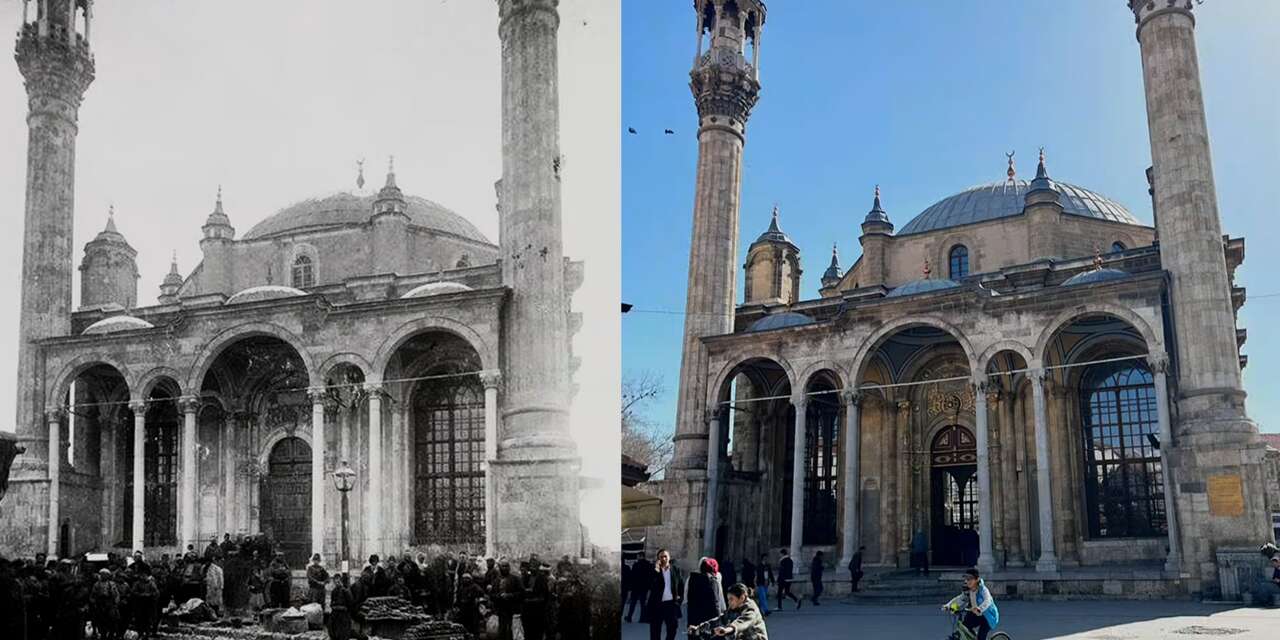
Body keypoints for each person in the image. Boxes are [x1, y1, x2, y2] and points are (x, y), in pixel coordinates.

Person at [687, 583, 768, 640]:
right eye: (728, 599)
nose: (729, 602)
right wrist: (699, 628)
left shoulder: (751, 609)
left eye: (731, 599)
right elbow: (721, 619)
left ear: (742, 598)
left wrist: (728, 629)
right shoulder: (734, 607)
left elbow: (742, 622)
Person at [943, 568, 999, 640]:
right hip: (975, 613)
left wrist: (980, 608)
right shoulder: (968, 590)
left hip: (988, 617)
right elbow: (960, 599)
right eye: (966, 579)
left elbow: (987, 601)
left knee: (981, 637)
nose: (967, 581)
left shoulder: (983, 590)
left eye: (970, 579)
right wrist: (948, 606)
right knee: (964, 627)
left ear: (977, 579)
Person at [644, 549, 682, 640]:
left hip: (671, 604)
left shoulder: (675, 570)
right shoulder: (653, 570)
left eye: (665, 556)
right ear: (658, 559)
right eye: (661, 557)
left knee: (673, 628)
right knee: (655, 631)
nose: (664, 558)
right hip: (657, 605)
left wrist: (679, 600)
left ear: (669, 557)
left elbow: (681, 585)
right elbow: (649, 584)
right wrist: (656, 571)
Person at [686, 557, 724, 630]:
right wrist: (718, 620)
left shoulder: (693, 579)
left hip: (694, 619)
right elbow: (715, 603)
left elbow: (689, 600)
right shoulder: (712, 582)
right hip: (708, 621)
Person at [493, 560, 524, 640]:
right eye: (503, 566)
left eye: (506, 566)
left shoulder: (515, 579)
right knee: (502, 629)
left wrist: (510, 595)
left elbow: (522, 593)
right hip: (501, 608)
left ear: (509, 568)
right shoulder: (496, 580)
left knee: (512, 630)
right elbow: (492, 594)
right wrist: (499, 596)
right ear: (500, 568)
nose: (505, 568)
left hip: (513, 609)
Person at [624, 554, 650, 623]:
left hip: (636, 587)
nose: (637, 557)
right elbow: (649, 576)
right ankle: (642, 618)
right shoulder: (648, 564)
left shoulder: (636, 565)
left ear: (641, 556)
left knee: (633, 603)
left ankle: (629, 617)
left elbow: (632, 576)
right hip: (644, 587)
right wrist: (648, 587)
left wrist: (630, 587)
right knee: (643, 604)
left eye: (638, 556)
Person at [328, 573, 354, 640]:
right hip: (335, 614)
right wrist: (334, 606)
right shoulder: (334, 591)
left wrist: (345, 609)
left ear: (341, 581)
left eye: (338, 582)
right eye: (335, 582)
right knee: (333, 631)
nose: (337, 583)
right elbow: (332, 603)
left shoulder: (346, 591)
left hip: (343, 614)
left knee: (343, 633)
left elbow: (351, 603)